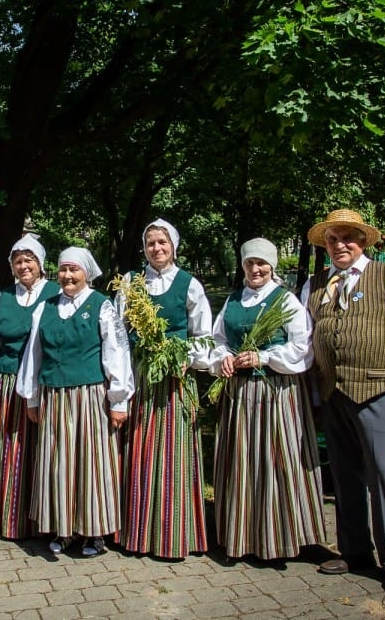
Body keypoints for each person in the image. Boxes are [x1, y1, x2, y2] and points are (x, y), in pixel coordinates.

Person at [300, 209, 385, 598]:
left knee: (384, 475)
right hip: (332, 393)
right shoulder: (315, 284)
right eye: (333, 239)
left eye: (348, 238)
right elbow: (308, 344)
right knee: (344, 476)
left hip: (378, 389)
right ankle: (355, 551)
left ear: (363, 241)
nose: (340, 245)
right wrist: (313, 394)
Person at [199, 238, 326, 561]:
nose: (255, 269)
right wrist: (223, 358)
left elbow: (302, 348)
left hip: (275, 394)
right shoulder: (233, 300)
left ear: (272, 266)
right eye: (249, 263)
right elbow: (219, 340)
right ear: (242, 266)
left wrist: (265, 357)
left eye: (261, 264)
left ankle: (280, 537)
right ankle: (239, 538)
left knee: (275, 461)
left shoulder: (285, 301)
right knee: (240, 463)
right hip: (239, 395)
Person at [17, 246, 134, 558]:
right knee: (59, 463)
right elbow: (34, 354)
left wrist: (119, 400)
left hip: (90, 397)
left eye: (74, 270)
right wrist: (32, 396)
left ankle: (94, 533)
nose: (67, 276)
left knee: (91, 463)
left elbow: (117, 354)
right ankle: (64, 529)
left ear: (86, 273)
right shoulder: (46, 307)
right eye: (63, 270)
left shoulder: (102, 306)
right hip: (54, 395)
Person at [117, 218, 213, 559]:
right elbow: (118, 332)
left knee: (175, 450)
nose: (156, 248)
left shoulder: (189, 284)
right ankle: (138, 531)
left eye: (162, 242)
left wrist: (187, 357)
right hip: (141, 376)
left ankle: (174, 533)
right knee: (140, 447)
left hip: (175, 377)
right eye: (151, 243)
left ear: (173, 246)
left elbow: (203, 336)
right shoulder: (130, 282)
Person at [0, 233, 59, 539]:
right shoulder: (3, 298)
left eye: (29, 260)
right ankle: (9, 518)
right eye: (18, 261)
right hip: (7, 382)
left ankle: (44, 519)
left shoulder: (56, 294)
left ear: (41, 264)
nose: (23, 265)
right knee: (10, 451)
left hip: (45, 384)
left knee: (43, 449)